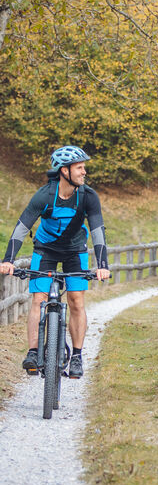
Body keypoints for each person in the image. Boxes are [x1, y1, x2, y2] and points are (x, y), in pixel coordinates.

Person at [0, 146, 110, 378]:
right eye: (80, 167)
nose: (84, 172)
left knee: (76, 301)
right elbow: (22, 227)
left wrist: (102, 265)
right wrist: (8, 260)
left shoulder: (88, 196)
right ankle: (32, 352)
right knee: (38, 300)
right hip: (45, 250)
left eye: (83, 167)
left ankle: (77, 356)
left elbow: (98, 230)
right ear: (64, 170)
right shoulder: (45, 195)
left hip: (75, 251)